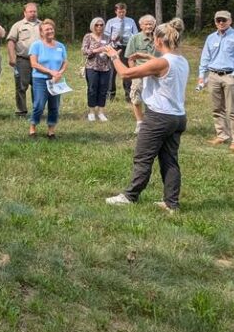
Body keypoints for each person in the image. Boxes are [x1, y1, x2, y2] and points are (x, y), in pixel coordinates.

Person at [104, 18, 189, 213]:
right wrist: (148, 57)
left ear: (158, 40)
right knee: (170, 160)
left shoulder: (161, 62)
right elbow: (163, 67)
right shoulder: (181, 60)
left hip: (158, 117)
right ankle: (171, 203)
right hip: (177, 117)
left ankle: (130, 196)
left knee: (143, 157)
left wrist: (114, 56)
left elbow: (125, 74)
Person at [197, 10, 234, 151]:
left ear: (230, 21)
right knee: (217, 108)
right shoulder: (210, 38)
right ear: (215, 22)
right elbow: (205, 57)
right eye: (218, 20)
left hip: (230, 75)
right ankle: (222, 135)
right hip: (213, 75)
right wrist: (202, 75)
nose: (221, 22)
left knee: (233, 110)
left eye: (224, 20)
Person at [28, 19, 67, 139]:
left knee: (54, 106)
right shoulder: (36, 45)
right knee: (39, 105)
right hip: (40, 79)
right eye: (47, 29)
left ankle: (51, 130)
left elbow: (65, 62)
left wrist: (59, 73)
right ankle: (32, 128)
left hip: (55, 80)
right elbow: (34, 64)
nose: (50, 31)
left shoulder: (60, 46)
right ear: (41, 33)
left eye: (51, 29)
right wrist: (50, 71)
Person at [6, 3, 41, 117]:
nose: (33, 13)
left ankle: (37, 110)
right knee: (21, 86)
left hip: (39, 61)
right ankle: (21, 111)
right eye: (30, 11)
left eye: (34, 11)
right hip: (23, 60)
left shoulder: (42, 25)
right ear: (24, 12)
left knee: (38, 86)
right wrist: (12, 57)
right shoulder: (18, 25)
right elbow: (11, 42)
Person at [125, 15, 158, 132]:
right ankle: (139, 122)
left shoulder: (159, 38)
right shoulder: (134, 38)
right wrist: (134, 73)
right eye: (146, 24)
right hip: (139, 73)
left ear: (154, 25)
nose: (148, 26)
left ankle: (151, 122)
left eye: (151, 24)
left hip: (155, 73)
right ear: (141, 26)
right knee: (136, 98)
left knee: (155, 99)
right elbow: (130, 58)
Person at [104, 3, 138, 101]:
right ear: (116, 11)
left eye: (123, 12)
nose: (122, 13)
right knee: (112, 71)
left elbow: (135, 34)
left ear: (125, 11)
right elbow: (106, 36)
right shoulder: (111, 22)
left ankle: (128, 94)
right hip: (114, 47)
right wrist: (112, 39)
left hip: (127, 47)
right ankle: (110, 94)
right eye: (120, 12)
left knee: (127, 71)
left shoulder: (131, 21)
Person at [81, 17, 112, 121]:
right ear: (92, 26)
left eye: (101, 25)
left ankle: (101, 112)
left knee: (103, 89)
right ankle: (91, 112)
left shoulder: (107, 37)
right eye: (97, 25)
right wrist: (97, 50)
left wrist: (111, 52)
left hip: (105, 67)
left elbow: (111, 49)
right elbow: (84, 51)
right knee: (92, 89)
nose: (99, 27)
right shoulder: (88, 36)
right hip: (92, 67)